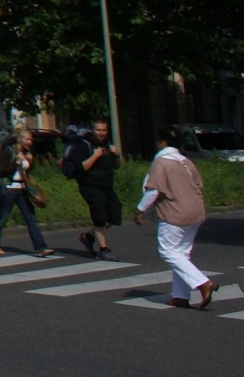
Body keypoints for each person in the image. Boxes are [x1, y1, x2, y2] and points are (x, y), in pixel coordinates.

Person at [138, 123, 212, 309]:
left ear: (162, 142)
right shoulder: (186, 161)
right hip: (195, 211)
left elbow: (154, 191)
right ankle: (180, 295)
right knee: (182, 255)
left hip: (174, 213)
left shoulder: (160, 162)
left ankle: (203, 283)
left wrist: (140, 210)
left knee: (168, 251)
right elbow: (198, 185)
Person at [0, 125, 50, 257]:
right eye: (27, 140)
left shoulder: (26, 152)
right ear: (19, 139)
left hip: (21, 189)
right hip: (8, 188)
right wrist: (17, 162)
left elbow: (25, 172)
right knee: (2, 217)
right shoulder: (8, 150)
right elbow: (3, 170)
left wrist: (30, 162)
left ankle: (40, 247)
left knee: (30, 218)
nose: (30, 142)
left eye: (30, 140)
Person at [70, 119, 121, 260]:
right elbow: (80, 167)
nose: (101, 133)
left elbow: (116, 166)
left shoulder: (107, 144)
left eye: (103, 130)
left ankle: (88, 237)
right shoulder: (85, 145)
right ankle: (104, 249)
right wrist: (95, 156)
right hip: (90, 185)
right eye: (98, 130)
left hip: (106, 185)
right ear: (93, 130)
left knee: (113, 215)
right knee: (99, 216)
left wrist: (116, 155)